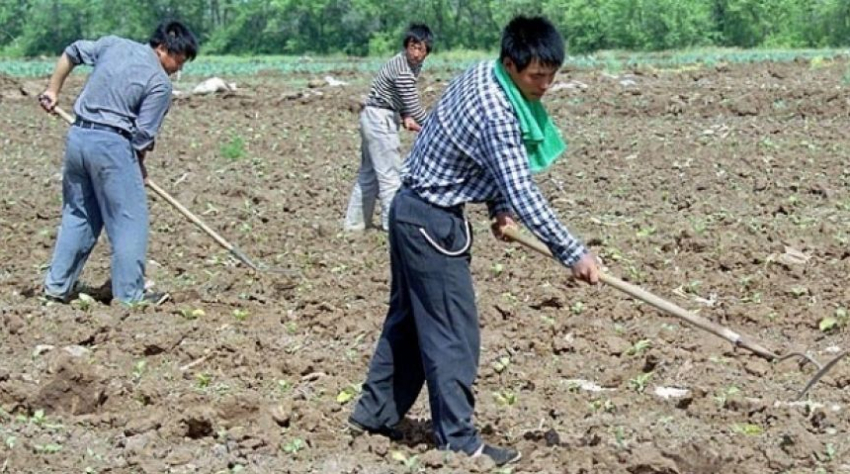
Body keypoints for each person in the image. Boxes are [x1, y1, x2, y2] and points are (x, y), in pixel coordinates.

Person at [348, 15, 600, 466]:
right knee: (453, 335)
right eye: (536, 75)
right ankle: (460, 442)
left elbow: (478, 159)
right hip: (430, 223)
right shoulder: (499, 110)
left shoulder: (486, 74)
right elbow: (522, 187)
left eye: (552, 75)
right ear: (511, 63)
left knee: (407, 325)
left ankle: (374, 415)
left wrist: (497, 207)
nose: (545, 85)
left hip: (410, 211)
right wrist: (573, 252)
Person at [38, 20, 198, 305]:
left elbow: (71, 52)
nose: (178, 69)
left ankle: (56, 287)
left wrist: (52, 90)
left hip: (78, 138)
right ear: (162, 48)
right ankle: (130, 296)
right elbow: (141, 137)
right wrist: (138, 167)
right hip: (112, 148)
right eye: (178, 60)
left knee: (79, 215)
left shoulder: (113, 44)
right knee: (129, 221)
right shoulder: (159, 84)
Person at [344, 23, 433, 232]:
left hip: (376, 116)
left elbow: (401, 100)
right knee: (390, 175)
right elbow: (413, 104)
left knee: (369, 174)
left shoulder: (412, 65)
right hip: (379, 119)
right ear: (407, 45)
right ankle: (392, 227)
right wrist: (435, 127)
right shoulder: (402, 68)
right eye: (414, 47)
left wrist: (404, 115)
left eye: (423, 50)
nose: (417, 54)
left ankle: (354, 224)